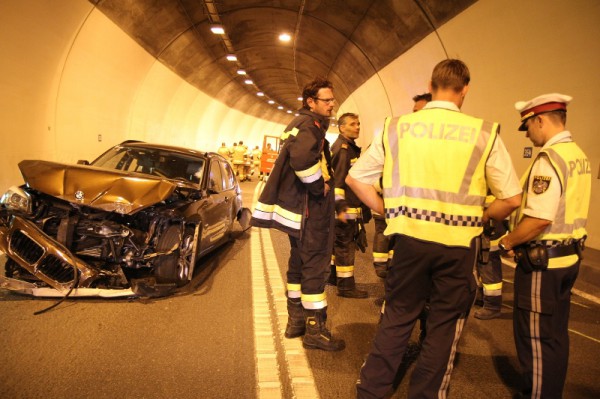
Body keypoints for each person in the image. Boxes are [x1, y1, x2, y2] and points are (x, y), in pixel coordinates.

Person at [347, 59, 522, 398]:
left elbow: (356, 178)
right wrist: (483, 217)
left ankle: (372, 390)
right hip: (458, 246)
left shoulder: (396, 126)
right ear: (465, 89)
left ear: (432, 83)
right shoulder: (484, 133)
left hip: (409, 240)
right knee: (444, 327)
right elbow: (512, 198)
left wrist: (387, 209)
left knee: (397, 316)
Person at [498, 93, 591, 398]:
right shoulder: (577, 155)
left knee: (534, 338)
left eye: (527, 126)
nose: (527, 133)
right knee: (555, 336)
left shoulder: (548, 160)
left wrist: (508, 241)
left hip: (543, 265)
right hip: (568, 260)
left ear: (540, 120)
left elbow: (539, 218)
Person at [251, 77, 345, 351]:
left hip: (298, 213)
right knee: (315, 267)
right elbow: (303, 161)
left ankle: (296, 323)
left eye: (332, 99)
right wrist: (320, 187)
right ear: (311, 102)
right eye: (326, 100)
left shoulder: (301, 124)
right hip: (310, 212)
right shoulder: (309, 126)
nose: (331, 104)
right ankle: (315, 331)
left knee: (298, 264)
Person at [330, 112, 369, 298]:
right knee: (345, 245)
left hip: (346, 206)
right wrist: (341, 211)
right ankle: (346, 286)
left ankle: (332, 277)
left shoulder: (349, 148)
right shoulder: (343, 149)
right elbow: (338, 182)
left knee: (337, 244)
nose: (358, 127)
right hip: (345, 208)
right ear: (341, 127)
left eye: (359, 123)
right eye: (353, 124)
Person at [474, 193, 509, 320]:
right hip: (488, 230)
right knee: (482, 265)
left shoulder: (490, 192)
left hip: (490, 232)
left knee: (489, 268)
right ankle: (482, 297)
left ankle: (492, 306)